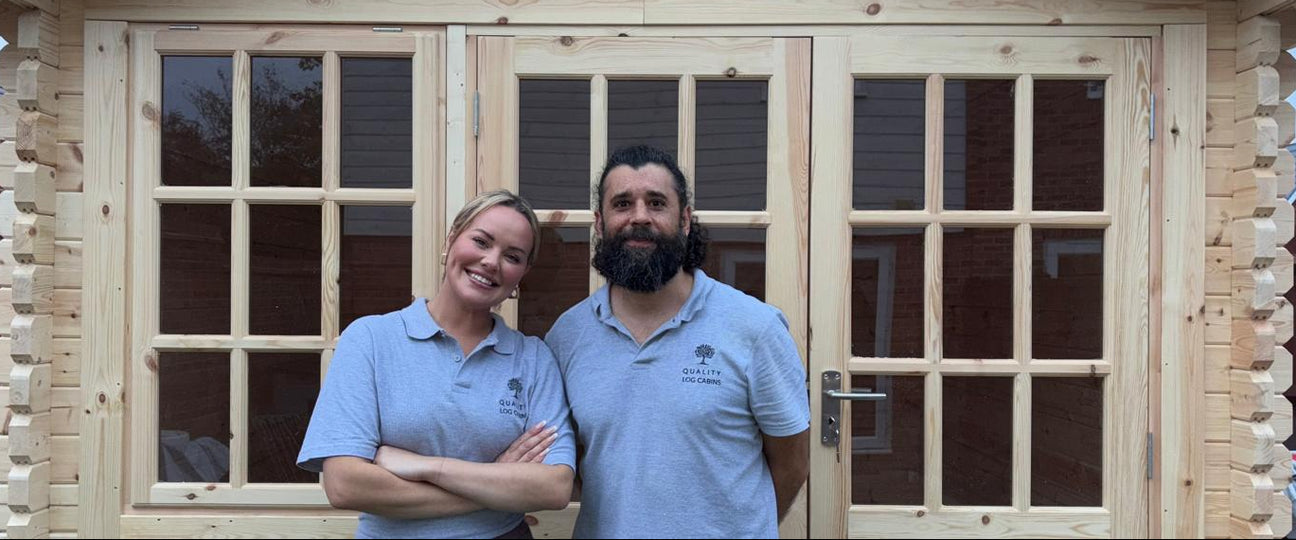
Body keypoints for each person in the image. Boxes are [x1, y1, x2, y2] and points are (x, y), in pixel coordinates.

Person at [545, 145, 810, 538]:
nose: (639, 217)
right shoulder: (568, 335)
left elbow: (792, 463)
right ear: (600, 223)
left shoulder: (755, 328)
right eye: (622, 204)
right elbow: (570, 462)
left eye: (656, 203)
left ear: (684, 219)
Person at [297, 190, 576, 539]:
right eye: (481, 241)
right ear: (451, 239)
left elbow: (555, 487)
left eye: (512, 256)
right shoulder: (371, 340)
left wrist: (428, 467)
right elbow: (344, 485)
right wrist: (496, 480)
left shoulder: (533, 359)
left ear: (523, 273)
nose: (491, 261)